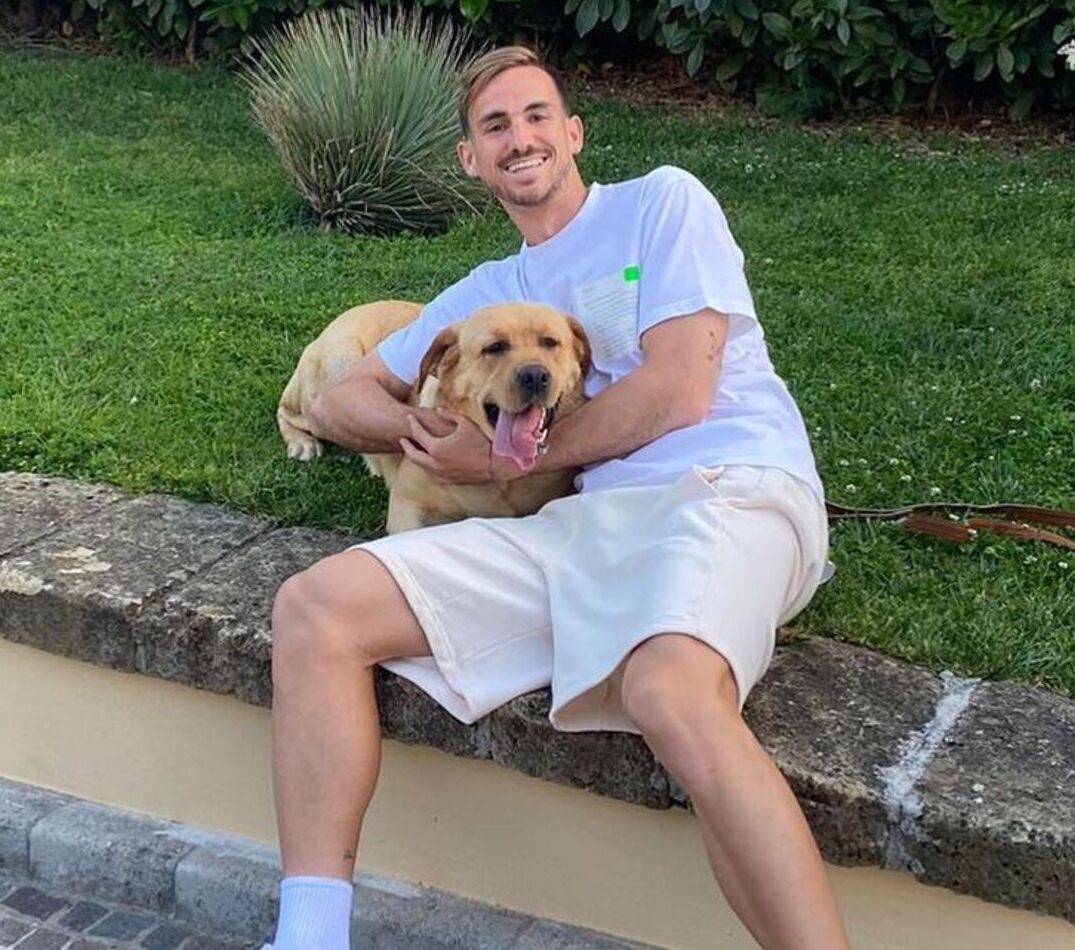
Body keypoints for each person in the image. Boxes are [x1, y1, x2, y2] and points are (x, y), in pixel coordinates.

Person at [263, 44, 850, 950]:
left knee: (670, 690)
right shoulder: (487, 295)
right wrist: (428, 439)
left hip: (722, 487)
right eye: (495, 126)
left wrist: (497, 468)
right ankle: (307, 938)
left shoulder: (662, 203)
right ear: (470, 158)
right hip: (578, 521)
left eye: (538, 116)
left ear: (573, 133)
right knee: (314, 610)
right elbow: (342, 398)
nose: (521, 137)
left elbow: (681, 390)